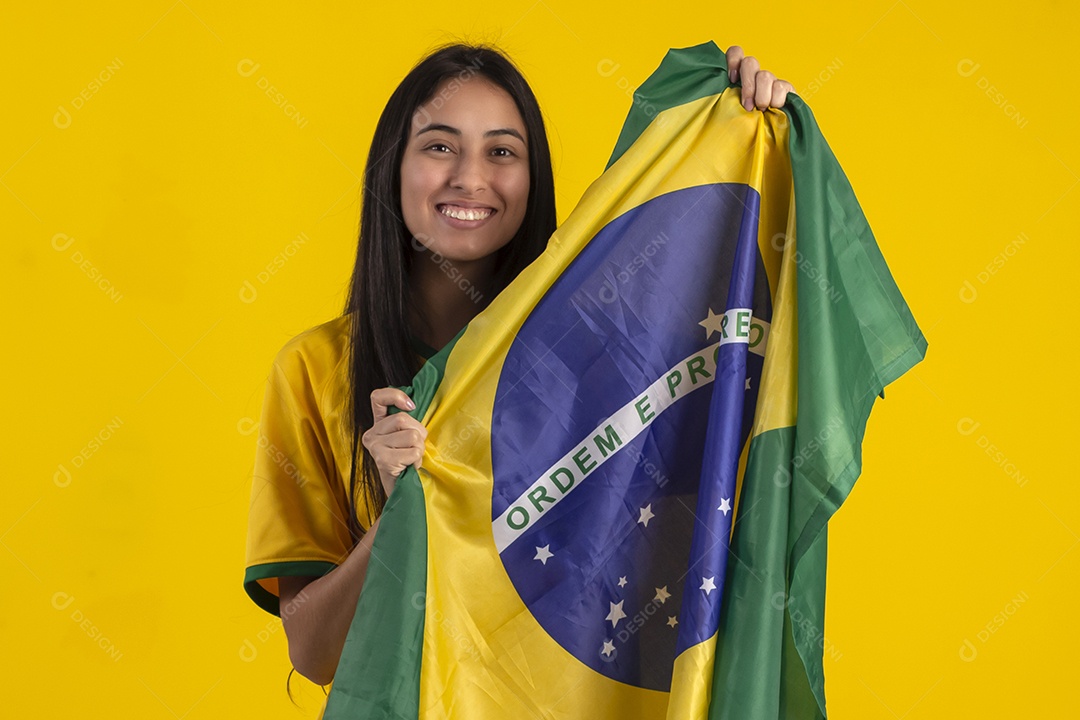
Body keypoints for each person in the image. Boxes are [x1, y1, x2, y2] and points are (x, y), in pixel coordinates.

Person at [243, 40, 794, 697]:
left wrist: (739, 124)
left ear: (532, 182)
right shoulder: (315, 369)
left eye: (502, 151)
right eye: (439, 146)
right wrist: (400, 514)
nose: (470, 178)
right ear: (393, 167)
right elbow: (313, 652)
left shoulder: (603, 363)